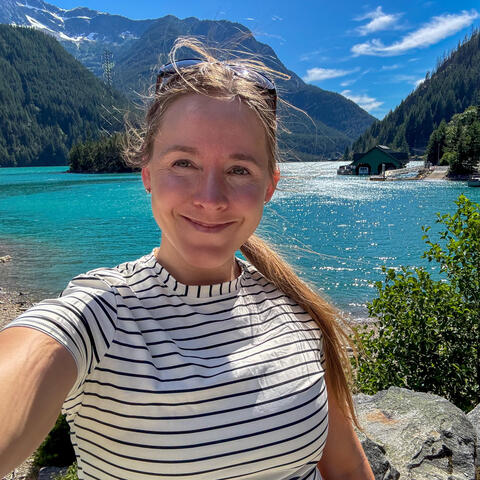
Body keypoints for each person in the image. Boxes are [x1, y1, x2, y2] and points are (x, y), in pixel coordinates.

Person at [0, 37, 374, 480]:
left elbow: (347, 468)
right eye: (183, 163)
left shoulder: (297, 311)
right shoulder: (101, 315)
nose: (211, 198)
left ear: (269, 186)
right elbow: (33, 357)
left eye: (239, 170)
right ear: (148, 175)